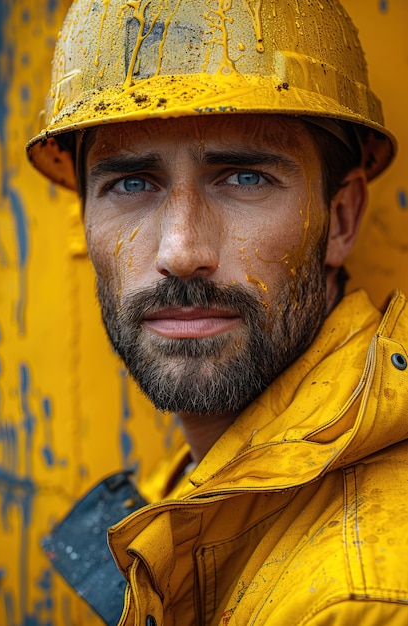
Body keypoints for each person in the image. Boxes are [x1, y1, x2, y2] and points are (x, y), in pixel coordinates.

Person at [27, 1, 408, 624]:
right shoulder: (200, 490)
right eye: (130, 183)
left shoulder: (358, 599)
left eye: (244, 177)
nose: (181, 252)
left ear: (339, 219)